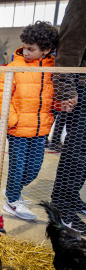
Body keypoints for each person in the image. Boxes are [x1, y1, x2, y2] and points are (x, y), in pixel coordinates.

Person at [0, 21, 59, 220]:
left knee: (33, 170)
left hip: (41, 130)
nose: (26, 52)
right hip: (18, 130)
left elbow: (54, 96)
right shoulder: (14, 67)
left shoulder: (54, 68)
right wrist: (12, 120)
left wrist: (54, 112)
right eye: (25, 47)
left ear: (46, 50)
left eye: (31, 49)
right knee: (18, 166)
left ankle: (12, 190)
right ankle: (12, 201)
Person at [50, 0, 86, 233]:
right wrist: (65, 88)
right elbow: (69, 46)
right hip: (83, 85)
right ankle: (63, 206)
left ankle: (69, 197)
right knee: (78, 148)